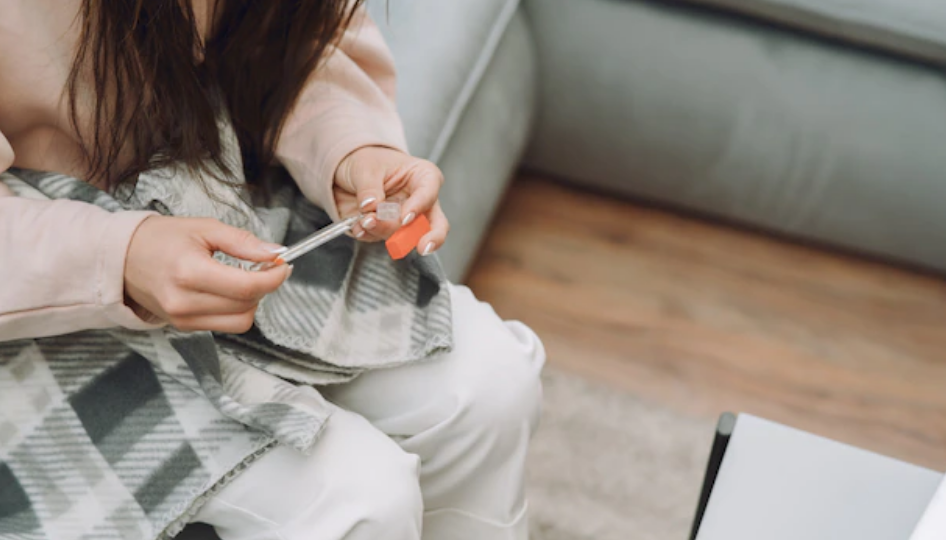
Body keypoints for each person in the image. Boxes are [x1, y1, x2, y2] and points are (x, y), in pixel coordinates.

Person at [0, 2, 544, 540]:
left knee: (492, 385)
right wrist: (118, 256)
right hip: (36, 281)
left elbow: (296, 36)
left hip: (216, 190)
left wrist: (352, 149)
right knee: (359, 502)